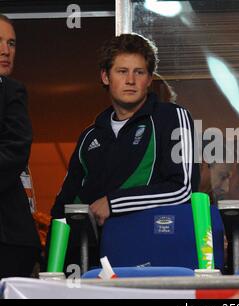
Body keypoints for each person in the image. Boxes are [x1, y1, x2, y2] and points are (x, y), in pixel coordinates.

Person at [48, 33, 199, 267]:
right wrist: (53, 267)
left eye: (139, 72)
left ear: (149, 79)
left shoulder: (171, 117)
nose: (130, 80)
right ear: (105, 76)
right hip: (93, 264)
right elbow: (63, 208)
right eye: (122, 71)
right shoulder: (90, 136)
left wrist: (114, 203)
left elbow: (183, 189)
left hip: (151, 256)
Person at [0, 14, 41, 279]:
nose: (5, 51)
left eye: (12, 43)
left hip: (7, 239)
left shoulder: (10, 90)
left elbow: (15, 151)